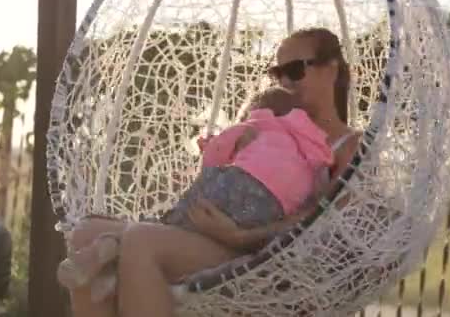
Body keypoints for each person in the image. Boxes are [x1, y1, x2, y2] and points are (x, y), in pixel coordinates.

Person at [66, 27, 361, 317]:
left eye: (295, 70)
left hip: (259, 258)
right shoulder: (268, 123)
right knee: (86, 235)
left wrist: (240, 236)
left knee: (141, 240)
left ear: (331, 70)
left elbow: (326, 222)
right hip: (211, 233)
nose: (284, 81)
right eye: (276, 73)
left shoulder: (347, 146)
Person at [57, 86, 334, 292]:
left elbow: (217, 153)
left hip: (233, 200)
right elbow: (316, 194)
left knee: (179, 218)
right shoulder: (314, 149)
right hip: (268, 215)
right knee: (172, 228)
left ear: (259, 109)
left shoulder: (260, 123)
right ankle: (112, 260)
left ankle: (110, 250)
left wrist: (211, 158)